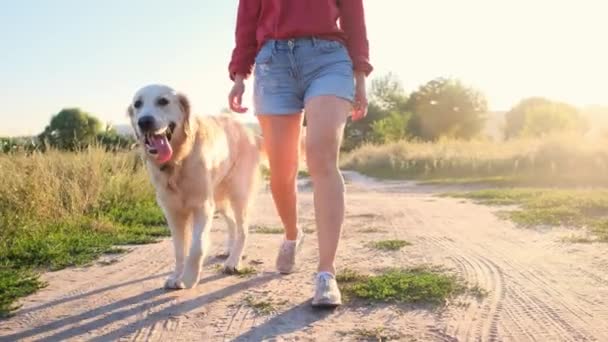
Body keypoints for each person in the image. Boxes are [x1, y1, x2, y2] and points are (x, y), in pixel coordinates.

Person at [227, 0, 372, 308]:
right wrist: (240, 74)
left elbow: (353, 17)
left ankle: (326, 274)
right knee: (281, 172)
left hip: (328, 59)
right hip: (273, 63)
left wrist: (360, 75)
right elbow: (247, 21)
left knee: (321, 157)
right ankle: (293, 234)